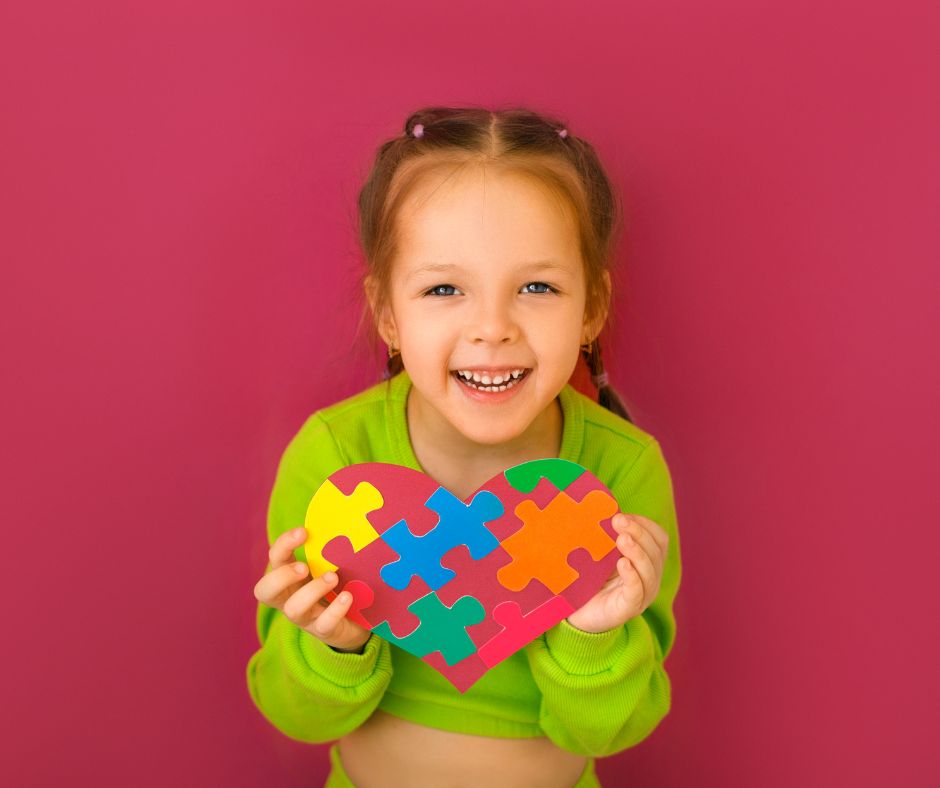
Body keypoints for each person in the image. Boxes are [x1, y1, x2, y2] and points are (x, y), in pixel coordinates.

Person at [247, 106, 682, 788]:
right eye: (444, 288)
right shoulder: (336, 455)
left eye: (537, 287)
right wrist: (333, 644)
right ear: (388, 313)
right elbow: (298, 717)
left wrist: (593, 636)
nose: (491, 328)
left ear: (592, 307)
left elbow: (613, 731)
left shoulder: (620, 470)